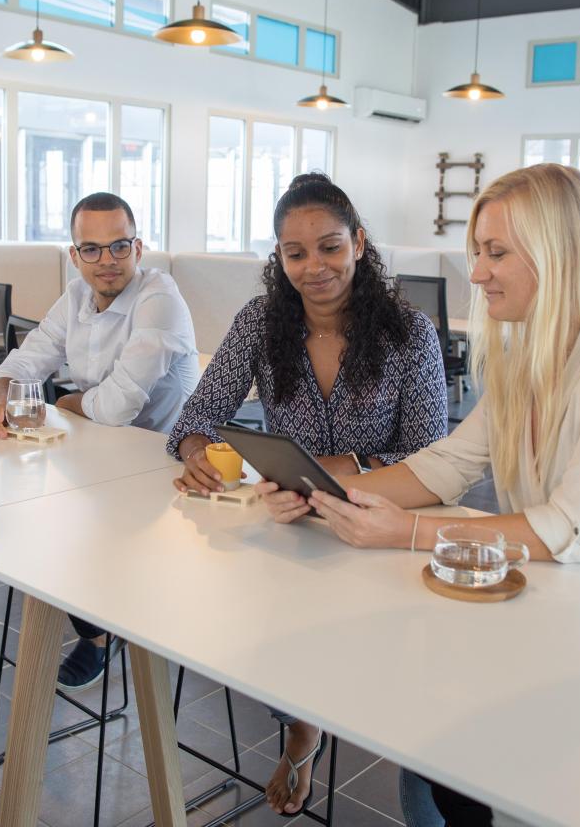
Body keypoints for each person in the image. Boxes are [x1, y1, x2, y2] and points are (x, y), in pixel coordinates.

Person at [256, 163, 580, 826]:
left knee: (477, 763)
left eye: (495, 252)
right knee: (435, 757)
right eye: (478, 252)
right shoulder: (526, 352)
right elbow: (446, 465)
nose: (477, 273)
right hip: (572, 605)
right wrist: (318, 493)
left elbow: (568, 526)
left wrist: (407, 532)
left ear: (559, 253)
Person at [167, 172, 449, 816]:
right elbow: (200, 413)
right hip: (290, 526)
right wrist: (195, 453)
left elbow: (434, 458)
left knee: (383, 680)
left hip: (381, 527)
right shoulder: (261, 322)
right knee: (268, 636)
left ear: (359, 244)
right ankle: (301, 728)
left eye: (330, 247)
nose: (314, 267)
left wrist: (344, 466)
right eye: (295, 253)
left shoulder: (408, 332)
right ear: (279, 257)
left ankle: (353, 722)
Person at [0, 191, 198, 690]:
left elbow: (118, 407)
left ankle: (109, 628)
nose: (107, 260)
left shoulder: (159, 297)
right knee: (26, 511)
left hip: (163, 471)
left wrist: (65, 402)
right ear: (74, 256)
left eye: (119, 246)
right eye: (92, 249)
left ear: (138, 248)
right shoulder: (75, 296)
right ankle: (98, 628)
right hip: (98, 461)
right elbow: (24, 363)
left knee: (55, 524)